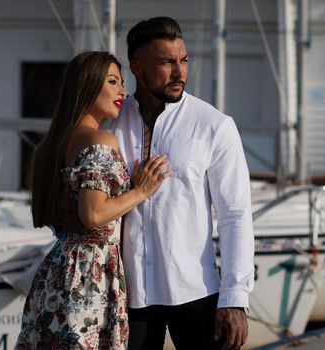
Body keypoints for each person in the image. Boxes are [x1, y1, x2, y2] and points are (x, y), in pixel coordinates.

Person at [103, 17, 254, 350]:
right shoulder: (109, 123)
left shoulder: (214, 126)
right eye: (166, 62)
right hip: (129, 294)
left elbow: (235, 215)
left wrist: (235, 297)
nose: (179, 72)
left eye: (183, 60)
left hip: (196, 291)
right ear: (137, 68)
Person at [16, 51, 171, 349]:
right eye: (112, 81)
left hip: (58, 269)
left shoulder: (55, 143)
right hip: (88, 274)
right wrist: (141, 191)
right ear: (86, 85)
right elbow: (92, 213)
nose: (122, 92)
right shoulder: (100, 141)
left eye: (122, 83)